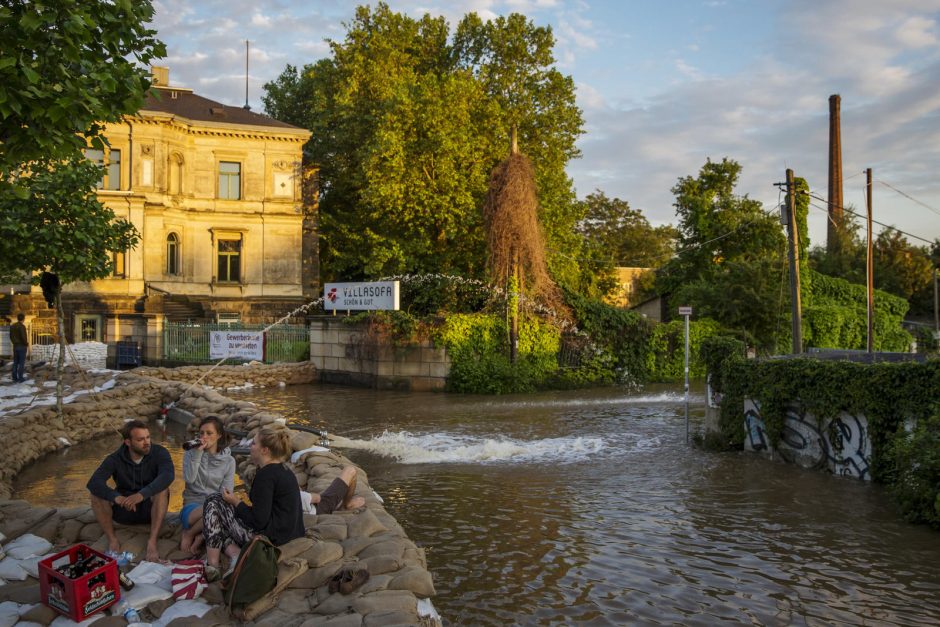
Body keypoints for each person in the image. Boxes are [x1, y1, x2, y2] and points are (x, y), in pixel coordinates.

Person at [201, 427, 303, 582]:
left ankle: (213, 565)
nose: (250, 446)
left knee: (213, 501)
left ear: (264, 450)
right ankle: (235, 555)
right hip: (289, 533)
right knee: (221, 514)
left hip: (270, 540)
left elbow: (258, 520)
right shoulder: (283, 470)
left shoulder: (266, 476)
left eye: (254, 443)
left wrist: (236, 501)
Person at [87, 420, 174, 562]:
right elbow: (94, 482)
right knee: (96, 494)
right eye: (140, 439)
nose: (147, 442)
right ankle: (112, 540)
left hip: (148, 508)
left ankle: (152, 541)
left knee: (163, 489)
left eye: (148, 437)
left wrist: (142, 494)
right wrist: (116, 497)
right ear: (128, 442)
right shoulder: (114, 459)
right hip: (124, 508)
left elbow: (168, 475)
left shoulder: (160, 453)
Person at [179, 416, 235, 555]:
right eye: (201, 433)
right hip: (192, 507)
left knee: (224, 507)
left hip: (214, 505)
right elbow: (189, 479)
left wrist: (218, 503)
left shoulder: (229, 461)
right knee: (220, 511)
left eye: (209, 433)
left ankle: (196, 535)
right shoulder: (191, 453)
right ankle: (193, 533)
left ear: (219, 436)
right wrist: (197, 454)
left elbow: (227, 492)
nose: (204, 437)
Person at [9, 313, 28, 383]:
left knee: (15, 362)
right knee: (21, 363)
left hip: (15, 346)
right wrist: (26, 343)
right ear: (23, 318)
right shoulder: (22, 326)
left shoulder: (12, 326)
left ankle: (14, 377)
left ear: (17, 318)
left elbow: (10, 336)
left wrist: (14, 343)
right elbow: (23, 337)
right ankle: (20, 378)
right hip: (22, 346)